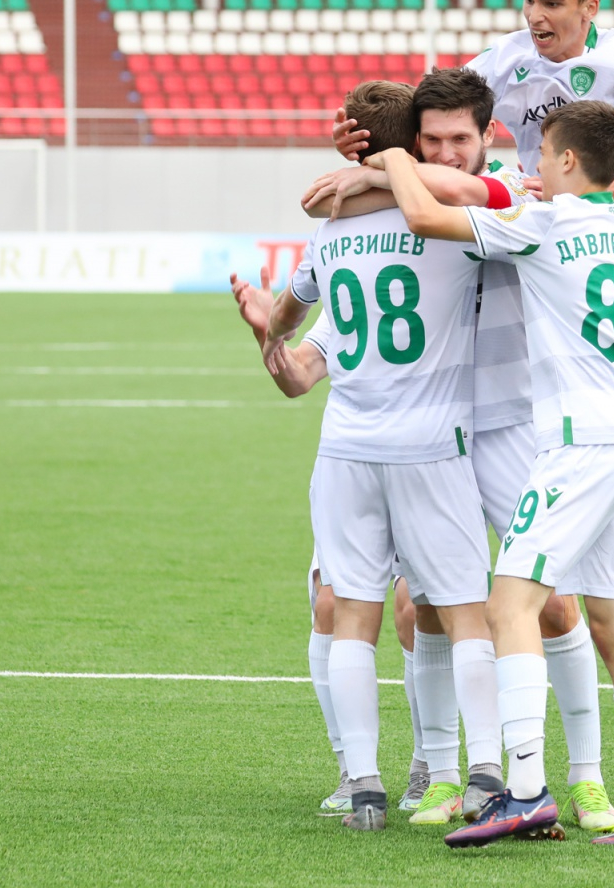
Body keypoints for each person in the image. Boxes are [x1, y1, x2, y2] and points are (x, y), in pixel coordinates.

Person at [303, 66, 614, 830]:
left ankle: (573, 779)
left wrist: (376, 166)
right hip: (432, 426)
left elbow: (442, 201)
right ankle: (446, 771)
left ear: (489, 137)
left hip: (519, 424)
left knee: (542, 606)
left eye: (458, 139)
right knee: (426, 608)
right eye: (430, 141)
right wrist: (372, 169)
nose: (445, 152)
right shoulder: (594, 226)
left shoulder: (516, 199)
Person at [333, 0, 614, 576]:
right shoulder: (505, 58)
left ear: (590, 8)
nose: (535, 16)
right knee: (564, 412)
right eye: (528, 0)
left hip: (611, 240)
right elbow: (433, 106)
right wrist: (365, 138)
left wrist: (576, 205)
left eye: (551, 3)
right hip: (531, 239)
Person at [263, 79, 501, 833]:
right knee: (464, 614)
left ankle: (362, 785)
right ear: (413, 144)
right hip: (431, 445)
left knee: (351, 618)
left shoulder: (331, 233)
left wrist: (267, 331)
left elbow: (289, 317)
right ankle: (485, 773)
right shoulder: (452, 224)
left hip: (346, 447)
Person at [229, 269, 432, 817]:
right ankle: (352, 768)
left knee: (414, 610)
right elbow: (297, 377)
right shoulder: (348, 275)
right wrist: (270, 332)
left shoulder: (438, 261)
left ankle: (429, 765)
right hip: (352, 462)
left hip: (427, 458)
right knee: (329, 604)